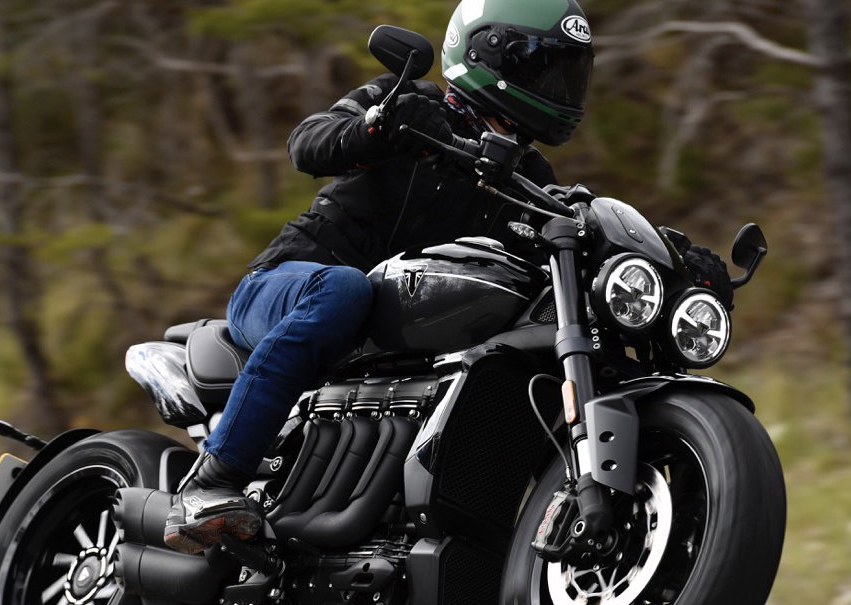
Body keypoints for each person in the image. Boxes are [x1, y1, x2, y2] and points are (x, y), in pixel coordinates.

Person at [165, 0, 599, 554]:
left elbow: (561, 235)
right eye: (545, 67)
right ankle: (212, 483)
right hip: (287, 285)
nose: (560, 86)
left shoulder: (529, 176)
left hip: (389, 331)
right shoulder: (408, 101)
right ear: (488, 54)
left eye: (569, 71)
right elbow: (308, 142)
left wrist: (669, 255)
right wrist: (380, 127)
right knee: (345, 288)